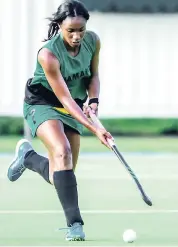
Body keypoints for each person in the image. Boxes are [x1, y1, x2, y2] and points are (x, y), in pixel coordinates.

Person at [7, 0, 112, 241]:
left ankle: (28, 158)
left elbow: (93, 75)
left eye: (81, 30)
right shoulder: (48, 54)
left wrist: (94, 101)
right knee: (62, 151)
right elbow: (64, 98)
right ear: (60, 26)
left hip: (73, 104)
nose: (77, 36)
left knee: (62, 175)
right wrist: (96, 128)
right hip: (43, 103)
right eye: (71, 31)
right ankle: (75, 224)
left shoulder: (93, 41)